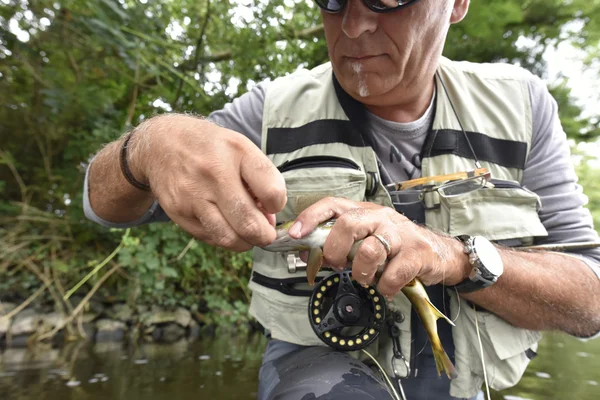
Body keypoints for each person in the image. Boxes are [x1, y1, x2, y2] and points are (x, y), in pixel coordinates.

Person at [83, 0, 600, 399]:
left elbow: (589, 298)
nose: (353, 27)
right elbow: (97, 204)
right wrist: (147, 146)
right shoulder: (268, 112)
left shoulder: (523, 105)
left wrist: (455, 257)